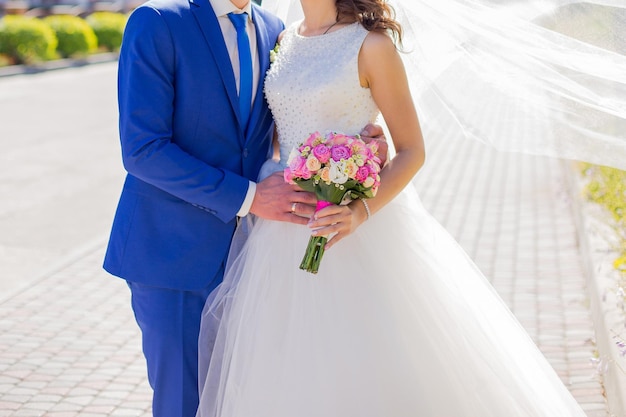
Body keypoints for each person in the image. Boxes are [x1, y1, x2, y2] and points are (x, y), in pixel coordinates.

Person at [194, 0, 612, 415]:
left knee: (362, 364)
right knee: (281, 367)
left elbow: (412, 150)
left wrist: (359, 210)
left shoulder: (371, 45)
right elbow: (280, 137)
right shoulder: (284, 40)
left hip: (354, 232)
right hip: (281, 232)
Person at [102, 0, 385, 415]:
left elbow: (282, 128)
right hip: (172, 256)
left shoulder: (277, 32)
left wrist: (360, 145)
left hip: (254, 260)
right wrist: (249, 197)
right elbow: (143, 149)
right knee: (185, 403)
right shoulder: (158, 22)